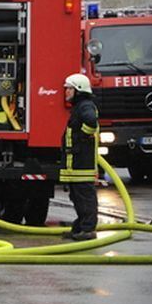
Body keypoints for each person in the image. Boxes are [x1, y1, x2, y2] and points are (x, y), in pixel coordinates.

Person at [61, 73, 99, 240]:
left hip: (82, 163)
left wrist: (82, 138)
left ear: (79, 90)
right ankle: (80, 227)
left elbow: (91, 123)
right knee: (77, 196)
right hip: (75, 164)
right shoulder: (80, 106)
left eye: (69, 88)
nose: (66, 92)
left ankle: (88, 229)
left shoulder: (85, 106)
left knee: (85, 196)